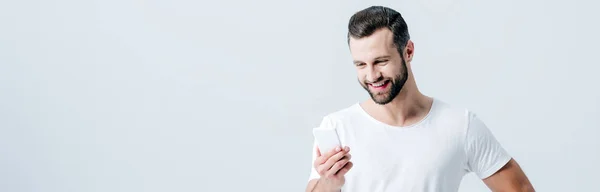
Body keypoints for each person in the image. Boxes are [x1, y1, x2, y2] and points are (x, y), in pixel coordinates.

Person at [305, 6, 534, 192]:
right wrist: (328, 184)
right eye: (361, 65)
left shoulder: (460, 125)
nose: (372, 75)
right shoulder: (338, 128)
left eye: (381, 61)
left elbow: (520, 189)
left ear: (409, 52)